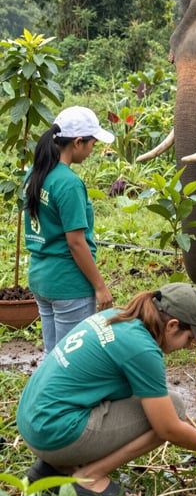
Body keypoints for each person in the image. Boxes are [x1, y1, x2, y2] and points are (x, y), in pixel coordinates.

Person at [16, 283, 196, 496]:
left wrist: (192, 432)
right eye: (190, 339)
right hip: (54, 433)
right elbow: (168, 428)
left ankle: (54, 468)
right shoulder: (142, 349)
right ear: (172, 326)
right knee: (173, 409)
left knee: (169, 407)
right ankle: (90, 478)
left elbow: (149, 396)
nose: (188, 346)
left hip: (33, 421)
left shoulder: (117, 317)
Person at [24, 106, 116, 355]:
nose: (92, 149)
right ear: (77, 142)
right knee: (71, 360)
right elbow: (76, 243)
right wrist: (100, 287)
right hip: (68, 283)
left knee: (53, 355)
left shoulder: (35, 174)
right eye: (92, 143)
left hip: (41, 277)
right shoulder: (69, 183)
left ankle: (44, 394)